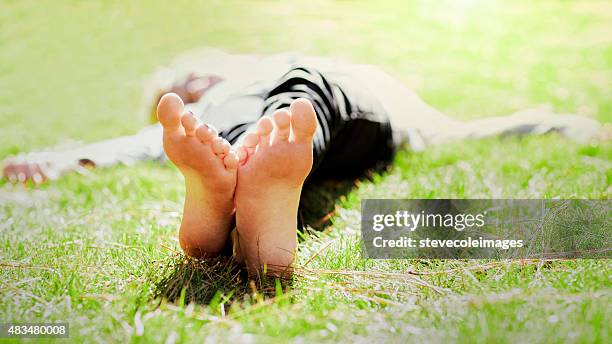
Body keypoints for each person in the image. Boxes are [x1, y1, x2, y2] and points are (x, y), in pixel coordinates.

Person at [2, 48, 604, 276]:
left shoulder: (271, 71)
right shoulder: (192, 117)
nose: (198, 80)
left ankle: (241, 189)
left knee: (298, 88)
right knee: (269, 106)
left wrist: (548, 122)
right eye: (185, 84)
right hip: (286, 120)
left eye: (201, 70)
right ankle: (246, 179)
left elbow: (462, 130)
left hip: (340, 111)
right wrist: (52, 161)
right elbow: (116, 148)